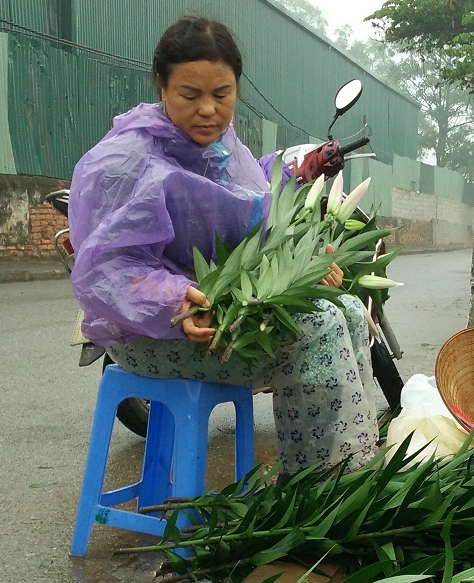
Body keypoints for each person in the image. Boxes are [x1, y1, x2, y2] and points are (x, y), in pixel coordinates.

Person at [68, 15, 379, 475]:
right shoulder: (123, 161)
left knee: (348, 310)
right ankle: (317, 491)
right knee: (316, 329)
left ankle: (352, 475)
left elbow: (253, 223)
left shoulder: (223, 148)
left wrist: (304, 263)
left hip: (222, 314)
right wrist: (174, 300)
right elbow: (103, 271)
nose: (209, 110)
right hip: (148, 333)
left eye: (222, 94)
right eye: (190, 95)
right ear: (163, 86)